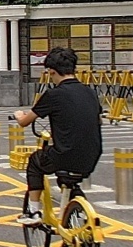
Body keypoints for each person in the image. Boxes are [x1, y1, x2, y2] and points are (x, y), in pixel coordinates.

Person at [13, 48, 104, 227]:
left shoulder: (53, 94)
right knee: (69, 178)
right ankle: (82, 215)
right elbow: (98, 120)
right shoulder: (90, 92)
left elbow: (24, 121)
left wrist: (18, 115)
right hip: (92, 156)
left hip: (64, 155)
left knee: (35, 162)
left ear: (52, 71)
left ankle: (33, 212)